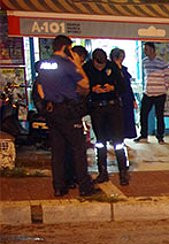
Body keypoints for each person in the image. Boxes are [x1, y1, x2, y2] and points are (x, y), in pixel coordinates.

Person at [35, 35, 99, 198]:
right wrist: (77, 63)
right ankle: (84, 187)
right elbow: (85, 84)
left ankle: (58, 187)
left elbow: (40, 89)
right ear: (65, 48)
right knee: (78, 149)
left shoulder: (45, 65)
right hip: (68, 111)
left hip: (52, 111)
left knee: (58, 151)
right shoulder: (67, 65)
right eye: (70, 48)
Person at [83, 48, 129, 186]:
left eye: (103, 65)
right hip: (97, 107)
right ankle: (102, 171)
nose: (100, 68)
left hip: (113, 106)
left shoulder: (112, 66)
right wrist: (92, 89)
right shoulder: (87, 68)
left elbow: (123, 87)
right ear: (93, 61)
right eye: (98, 65)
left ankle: (123, 172)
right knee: (100, 141)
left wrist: (112, 88)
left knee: (118, 141)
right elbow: (81, 88)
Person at [135, 42, 169, 144]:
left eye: (146, 49)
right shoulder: (144, 62)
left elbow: (168, 77)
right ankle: (143, 135)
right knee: (143, 114)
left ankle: (160, 136)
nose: (145, 51)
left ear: (152, 50)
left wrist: (164, 88)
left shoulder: (162, 62)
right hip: (148, 93)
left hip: (160, 93)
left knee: (159, 115)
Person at [110, 48, 137, 141]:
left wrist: (133, 100)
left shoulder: (124, 69)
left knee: (126, 119)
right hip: (116, 97)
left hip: (127, 97)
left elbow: (128, 86)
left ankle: (123, 137)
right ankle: (115, 138)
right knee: (117, 120)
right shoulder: (110, 68)